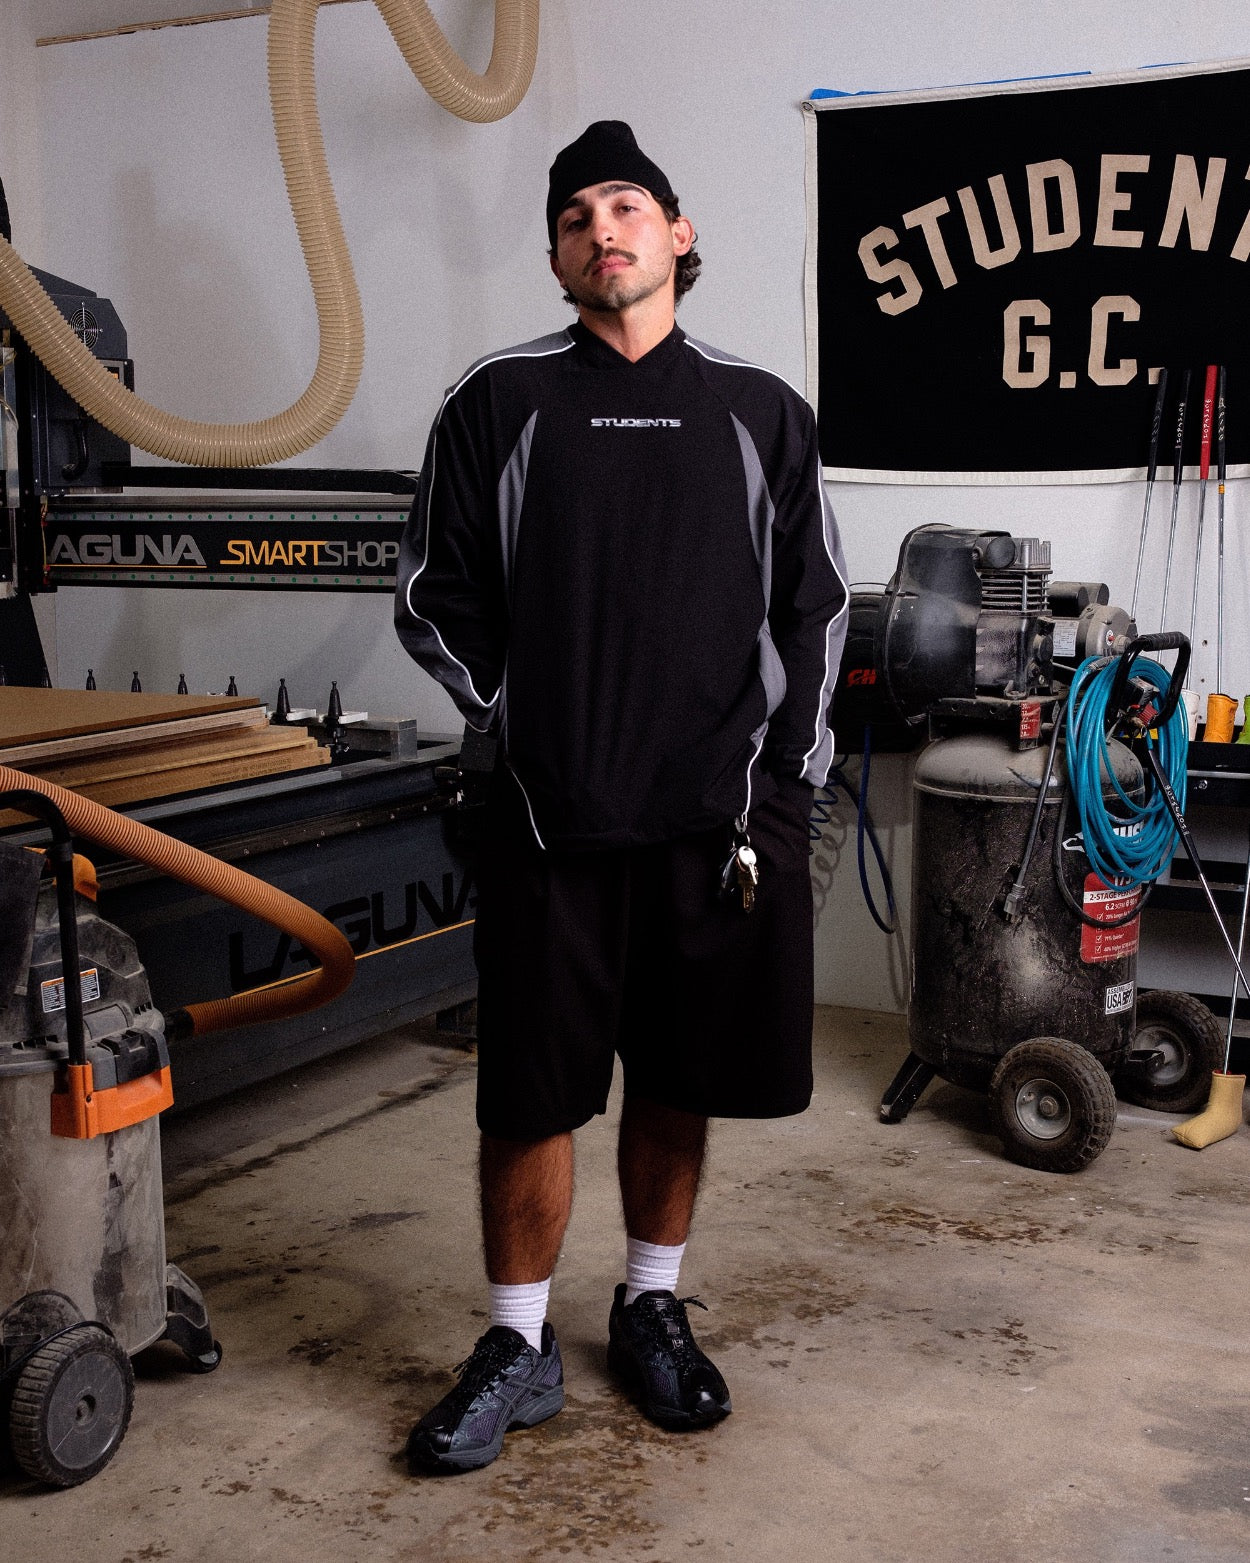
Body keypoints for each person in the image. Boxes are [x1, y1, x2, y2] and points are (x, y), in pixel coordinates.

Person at [394, 119, 849, 1475]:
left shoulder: (760, 409)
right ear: (555, 258)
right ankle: (516, 1341)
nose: (605, 228)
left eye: (628, 206)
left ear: (679, 233)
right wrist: (519, 729)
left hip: (717, 825)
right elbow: (433, 594)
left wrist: (786, 783)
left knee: (680, 1071)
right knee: (528, 1092)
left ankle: (649, 1304)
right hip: (549, 816)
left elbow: (815, 605)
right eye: (577, 214)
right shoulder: (499, 402)